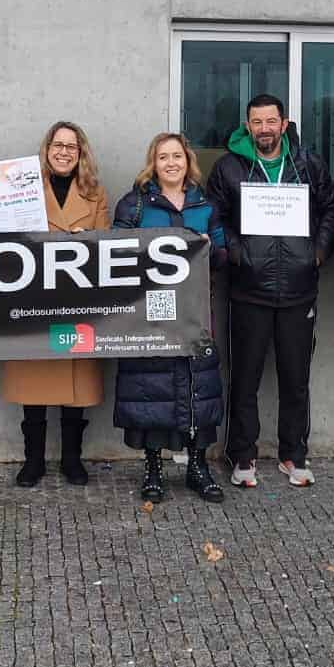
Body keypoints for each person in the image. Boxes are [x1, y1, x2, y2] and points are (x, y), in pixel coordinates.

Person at [205, 94, 334, 490]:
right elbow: (215, 217)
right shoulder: (230, 167)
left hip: (299, 288)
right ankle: (242, 455)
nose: (264, 128)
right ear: (247, 125)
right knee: (244, 378)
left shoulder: (307, 164)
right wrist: (237, 252)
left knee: (296, 379)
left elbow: (331, 208)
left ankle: (293, 454)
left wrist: (318, 251)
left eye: (270, 121)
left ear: (284, 124)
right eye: (256, 121)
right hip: (248, 288)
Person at [112, 133, 227, 503]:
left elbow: (224, 251)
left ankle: (197, 465)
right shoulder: (135, 205)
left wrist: (213, 249)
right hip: (151, 310)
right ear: (154, 163)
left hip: (195, 308)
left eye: (177, 156)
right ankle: (153, 467)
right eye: (164, 157)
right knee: (152, 386)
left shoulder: (205, 203)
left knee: (198, 382)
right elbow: (117, 251)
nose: (171, 163)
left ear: (188, 160)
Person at [0, 121, 109, 487]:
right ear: (46, 150)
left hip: (77, 301)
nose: (63, 152)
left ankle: (72, 459)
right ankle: (34, 461)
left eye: (71, 147)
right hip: (33, 302)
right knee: (35, 383)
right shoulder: (21, 190)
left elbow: (107, 244)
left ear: (81, 153)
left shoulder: (95, 194)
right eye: (57, 145)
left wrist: (87, 242)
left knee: (74, 390)